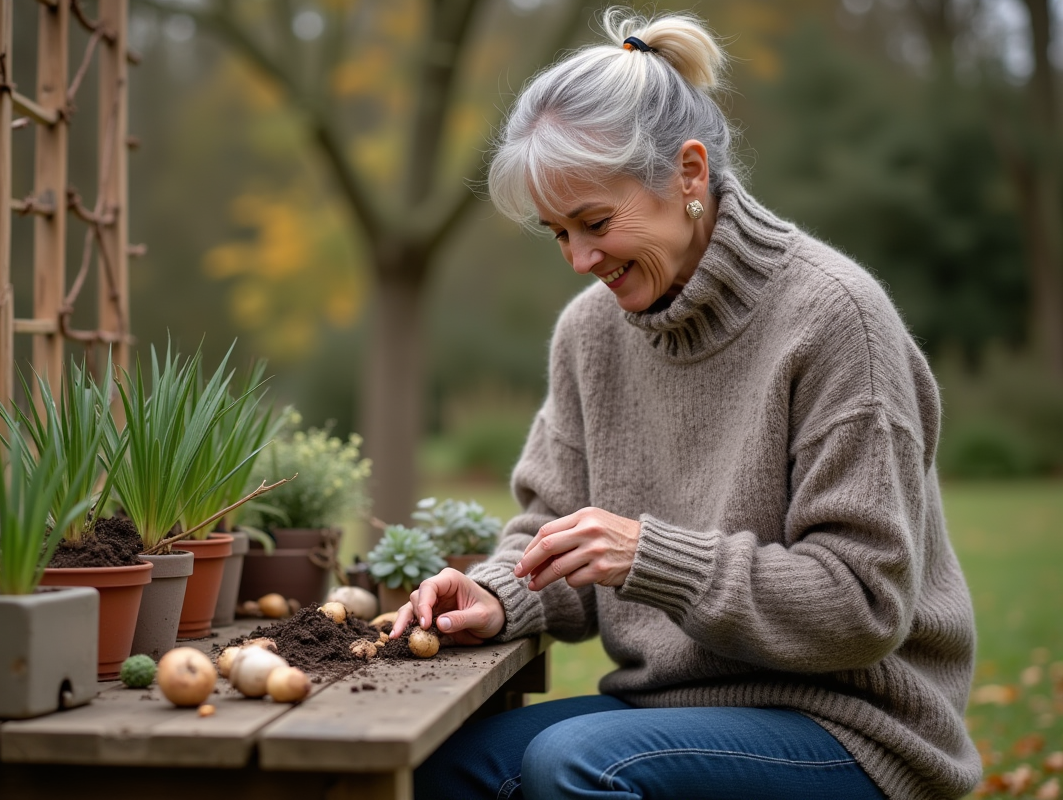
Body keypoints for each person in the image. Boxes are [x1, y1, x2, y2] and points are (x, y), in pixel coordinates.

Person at [389, 7, 982, 800]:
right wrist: (497, 592)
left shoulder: (837, 318)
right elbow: (553, 532)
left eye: (595, 222)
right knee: (431, 765)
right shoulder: (589, 334)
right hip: (670, 712)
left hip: (855, 727)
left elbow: (863, 606)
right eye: (556, 233)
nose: (579, 259)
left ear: (690, 174)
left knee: (570, 767)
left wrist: (650, 557)